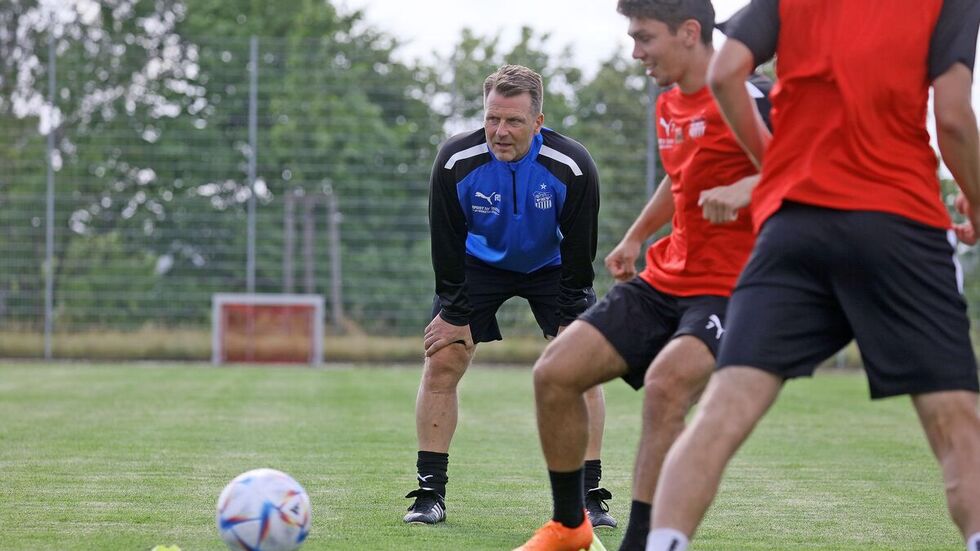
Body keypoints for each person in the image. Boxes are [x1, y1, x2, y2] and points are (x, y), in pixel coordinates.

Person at [645, 1, 980, 550]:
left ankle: (663, 543)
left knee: (722, 410)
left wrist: (777, 171)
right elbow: (952, 117)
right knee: (954, 420)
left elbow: (726, 72)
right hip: (899, 221)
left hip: (793, 229)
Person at [513, 1, 772, 549]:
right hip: (666, 279)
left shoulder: (756, 96)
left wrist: (748, 189)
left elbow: (806, 170)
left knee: (665, 386)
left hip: (736, 289)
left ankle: (641, 542)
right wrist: (636, 235)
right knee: (554, 374)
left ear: (689, 32)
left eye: (644, 38)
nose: (636, 53)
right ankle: (569, 526)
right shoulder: (670, 103)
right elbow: (680, 181)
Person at [404, 64, 617, 529]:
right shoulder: (455, 161)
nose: (500, 131)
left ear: (538, 121)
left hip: (552, 266)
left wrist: (570, 316)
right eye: (492, 119)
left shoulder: (573, 165)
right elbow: (446, 242)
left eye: (514, 121)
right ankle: (429, 494)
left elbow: (581, 254)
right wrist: (455, 315)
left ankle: (590, 495)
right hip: (477, 265)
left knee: (581, 367)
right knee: (443, 358)